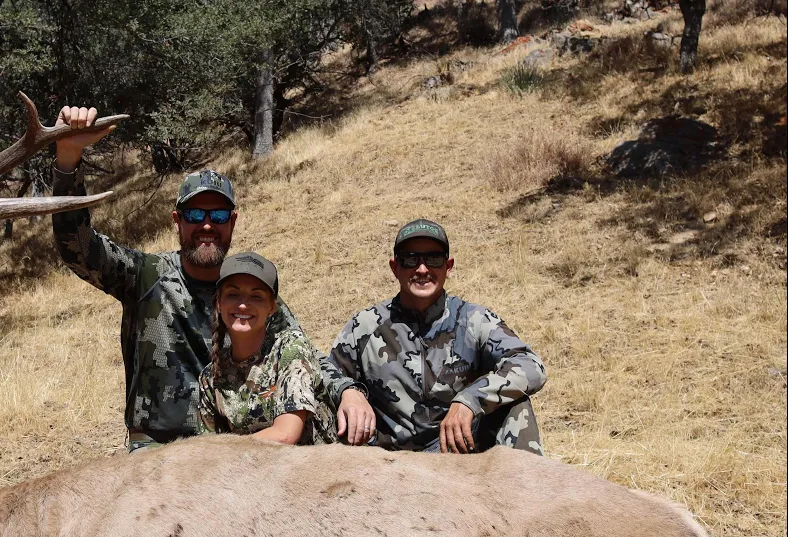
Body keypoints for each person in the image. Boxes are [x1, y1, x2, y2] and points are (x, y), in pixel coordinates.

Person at [50, 106, 369, 452]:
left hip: (231, 452)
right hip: (157, 451)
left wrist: (350, 391)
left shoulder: (249, 291)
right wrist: (68, 160)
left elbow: (300, 351)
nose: (206, 225)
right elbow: (77, 248)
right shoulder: (144, 276)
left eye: (217, 215)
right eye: (194, 214)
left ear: (232, 222)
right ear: (177, 220)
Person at [330, 219, 546, 454]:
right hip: (389, 462)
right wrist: (348, 391)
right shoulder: (366, 325)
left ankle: (523, 489)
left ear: (448, 266)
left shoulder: (473, 320)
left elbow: (530, 365)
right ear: (395, 267)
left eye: (433, 259)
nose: (422, 269)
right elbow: (324, 372)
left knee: (517, 405)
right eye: (410, 259)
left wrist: (471, 399)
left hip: (458, 450)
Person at [196, 252, 337, 445]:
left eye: (256, 296)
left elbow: (286, 434)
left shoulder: (290, 348)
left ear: (272, 307)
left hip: (312, 469)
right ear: (219, 303)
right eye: (233, 294)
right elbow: (208, 448)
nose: (243, 304)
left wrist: (224, 452)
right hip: (251, 470)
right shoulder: (210, 378)